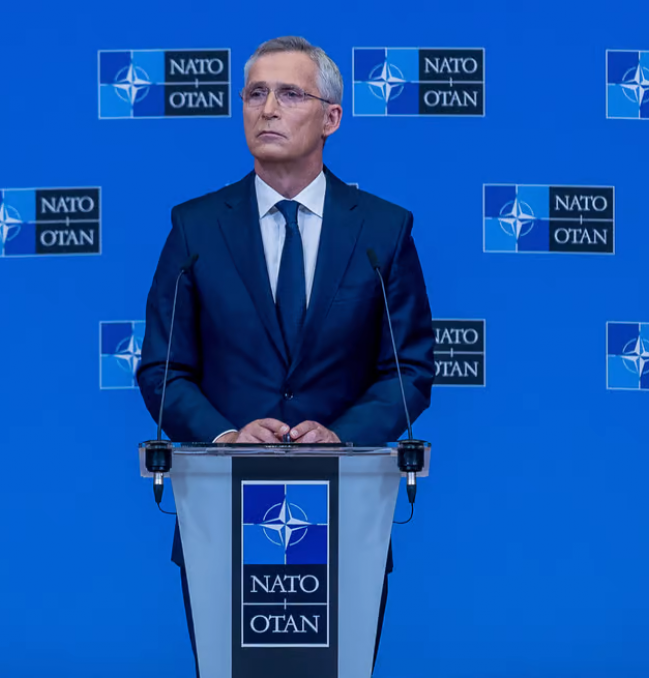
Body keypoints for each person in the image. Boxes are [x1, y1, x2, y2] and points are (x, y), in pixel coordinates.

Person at [136, 36, 434, 674]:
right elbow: (163, 370)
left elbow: (407, 371)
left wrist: (344, 436)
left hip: (346, 515)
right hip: (223, 515)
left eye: (290, 94)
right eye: (255, 94)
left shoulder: (383, 231)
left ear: (331, 117)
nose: (267, 108)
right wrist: (224, 436)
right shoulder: (195, 227)